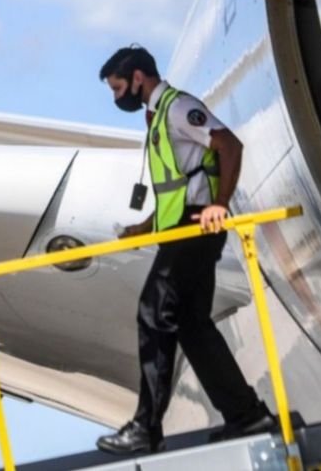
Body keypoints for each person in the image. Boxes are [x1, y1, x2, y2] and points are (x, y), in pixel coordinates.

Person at [94, 45, 275, 455]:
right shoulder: (157, 117)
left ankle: (145, 428)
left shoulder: (178, 108)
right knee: (192, 325)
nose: (116, 97)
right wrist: (145, 225)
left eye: (118, 87)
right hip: (181, 226)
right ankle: (247, 416)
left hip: (195, 228)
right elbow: (178, 187)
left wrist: (219, 205)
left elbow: (230, 146)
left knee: (154, 312)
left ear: (138, 78)